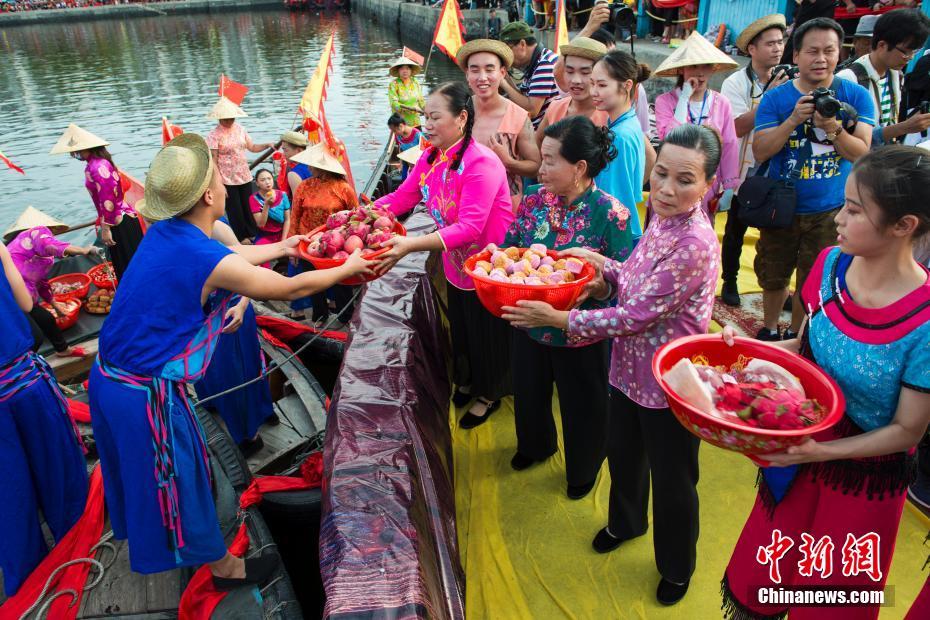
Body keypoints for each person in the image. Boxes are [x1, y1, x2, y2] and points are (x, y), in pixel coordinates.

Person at [88, 133, 376, 587]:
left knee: (157, 474)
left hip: (111, 379)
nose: (228, 186)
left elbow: (234, 255)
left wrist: (285, 247)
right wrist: (349, 267)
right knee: (179, 477)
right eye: (221, 181)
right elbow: (289, 290)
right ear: (207, 195)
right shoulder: (196, 252)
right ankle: (223, 568)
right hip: (141, 395)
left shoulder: (171, 231)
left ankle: (177, 545)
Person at [502, 124, 722, 605]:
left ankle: (676, 566)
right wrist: (604, 266)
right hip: (626, 371)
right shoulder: (662, 219)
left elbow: (637, 314)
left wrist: (561, 318)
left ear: (709, 185)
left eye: (685, 180)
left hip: (669, 383)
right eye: (660, 173)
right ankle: (626, 522)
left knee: (673, 481)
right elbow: (634, 280)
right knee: (624, 455)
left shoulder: (695, 244)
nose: (665, 188)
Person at [720, 145, 930, 620]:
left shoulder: (925, 319)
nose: (838, 217)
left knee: (828, 596)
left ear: (904, 226)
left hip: (861, 477)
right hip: (801, 449)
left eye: (855, 210)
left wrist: (820, 452)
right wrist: (753, 353)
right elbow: (807, 350)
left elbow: (906, 431)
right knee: (771, 575)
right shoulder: (831, 264)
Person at [500, 116, 636, 499]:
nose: (540, 169)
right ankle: (535, 446)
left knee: (585, 407)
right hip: (529, 319)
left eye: (549, 161)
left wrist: (599, 287)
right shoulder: (532, 201)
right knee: (529, 392)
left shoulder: (612, 214)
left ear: (579, 168)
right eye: (541, 160)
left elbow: (622, 282)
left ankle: (583, 468)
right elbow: (512, 247)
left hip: (581, 330)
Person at [373, 81, 514, 428]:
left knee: (488, 334)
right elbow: (403, 198)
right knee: (462, 329)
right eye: (425, 117)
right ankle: (468, 380)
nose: (427, 124)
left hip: (487, 265)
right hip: (455, 264)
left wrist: (408, 245)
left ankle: (490, 393)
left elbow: (469, 227)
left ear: (462, 118)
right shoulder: (430, 156)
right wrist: (362, 213)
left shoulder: (482, 163)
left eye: (435, 117)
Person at [752, 17, 874, 341]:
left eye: (829, 51)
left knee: (813, 275)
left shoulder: (856, 96)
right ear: (796, 56)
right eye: (812, 51)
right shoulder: (777, 99)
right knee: (772, 271)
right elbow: (761, 151)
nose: (821, 58)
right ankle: (768, 328)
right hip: (782, 205)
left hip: (831, 207)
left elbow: (862, 153)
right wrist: (793, 118)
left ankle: (796, 334)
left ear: (840, 54)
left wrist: (833, 127)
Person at [0, 239, 88, 597]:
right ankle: (77, 545)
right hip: (22, 382)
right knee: (57, 471)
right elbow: (24, 303)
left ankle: (27, 579)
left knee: (9, 493)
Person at [719, 15, 788, 307]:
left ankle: (776, 287)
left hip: (778, 169)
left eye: (780, 42)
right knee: (735, 230)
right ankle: (730, 280)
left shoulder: (791, 79)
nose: (777, 48)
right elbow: (735, 127)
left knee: (777, 235)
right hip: (743, 172)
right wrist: (769, 99)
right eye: (770, 43)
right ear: (752, 49)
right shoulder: (734, 83)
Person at [194, 220, 275, 456]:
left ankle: (249, 429)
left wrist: (241, 304)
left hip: (231, 313)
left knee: (243, 369)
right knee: (212, 372)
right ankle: (214, 405)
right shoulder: (171, 233)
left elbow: (248, 271)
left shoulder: (218, 227)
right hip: (201, 320)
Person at [654, 31, 741, 215]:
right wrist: (685, 97)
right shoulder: (665, 101)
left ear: (713, 68)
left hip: (706, 186)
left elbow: (730, 146)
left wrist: (730, 186)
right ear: (681, 69)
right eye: (693, 66)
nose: (700, 73)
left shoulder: (721, 102)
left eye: (706, 66)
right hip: (671, 184)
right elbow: (669, 138)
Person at [50, 123, 143, 280]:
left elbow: (108, 200)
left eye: (76, 150)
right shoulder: (100, 162)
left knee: (128, 266)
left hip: (117, 221)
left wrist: (106, 228)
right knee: (132, 263)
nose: (74, 154)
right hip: (121, 217)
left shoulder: (96, 166)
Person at [457, 39, 541, 210]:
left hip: (504, 209)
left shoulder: (518, 116)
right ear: (467, 75)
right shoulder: (458, 113)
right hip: (462, 205)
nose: (482, 77)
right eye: (475, 70)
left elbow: (536, 166)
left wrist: (509, 162)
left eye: (489, 69)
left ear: (502, 73)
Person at [4, 208, 97, 358]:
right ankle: (22, 365)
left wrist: (54, 304)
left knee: (47, 319)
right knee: (34, 337)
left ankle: (62, 350)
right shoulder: (36, 233)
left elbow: (41, 281)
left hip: (27, 296)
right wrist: (83, 250)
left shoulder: (40, 254)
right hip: (11, 295)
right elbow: (52, 245)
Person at [836, 9, 930, 148]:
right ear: (882, 45)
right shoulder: (848, 79)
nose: (910, 58)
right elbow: (848, 139)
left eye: (914, 52)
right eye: (905, 52)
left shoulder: (895, 75)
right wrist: (904, 127)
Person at [289, 143, 360, 326]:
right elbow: (295, 216)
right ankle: (320, 316)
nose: (309, 167)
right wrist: (293, 246)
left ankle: (346, 317)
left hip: (335, 241)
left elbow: (355, 217)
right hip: (307, 241)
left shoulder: (343, 188)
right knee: (312, 281)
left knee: (340, 281)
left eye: (312, 164)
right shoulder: (304, 187)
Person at [590, 49, 652, 240]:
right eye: (592, 83)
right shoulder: (628, 124)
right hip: (625, 225)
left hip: (614, 232)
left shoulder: (619, 136)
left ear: (626, 86)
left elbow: (610, 196)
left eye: (601, 85)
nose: (594, 91)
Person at [205, 97, 274, 242]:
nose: (229, 121)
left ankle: (254, 233)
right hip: (227, 178)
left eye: (232, 118)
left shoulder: (240, 129)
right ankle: (241, 237)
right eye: (226, 118)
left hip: (244, 175)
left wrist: (266, 145)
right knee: (234, 209)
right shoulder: (214, 135)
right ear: (219, 118)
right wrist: (219, 183)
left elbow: (252, 147)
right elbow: (213, 160)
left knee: (248, 206)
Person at [535, 37, 610, 147]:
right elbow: (537, 143)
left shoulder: (611, 116)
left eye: (585, 73)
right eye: (569, 71)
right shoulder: (555, 108)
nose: (575, 80)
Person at [498, 21, 561, 128]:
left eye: (508, 50)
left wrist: (503, 83)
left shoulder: (544, 64)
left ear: (522, 44)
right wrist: (507, 79)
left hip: (543, 134)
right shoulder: (537, 60)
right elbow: (523, 97)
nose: (506, 57)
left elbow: (531, 110)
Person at [250, 168, 291, 247]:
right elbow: (261, 224)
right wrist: (266, 205)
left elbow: (287, 220)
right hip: (265, 235)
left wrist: (283, 241)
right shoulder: (254, 198)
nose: (267, 182)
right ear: (257, 183)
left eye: (269, 178)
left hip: (283, 233)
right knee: (261, 255)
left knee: (288, 255)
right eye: (262, 180)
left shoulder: (283, 195)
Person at [388, 56, 426, 128]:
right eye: (402, 69)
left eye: (407, 68)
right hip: (401, 123)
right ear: (398, 71)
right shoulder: (393, 84)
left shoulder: (415, 82)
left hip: (415, 121)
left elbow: (421, 100)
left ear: (411, 70)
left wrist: (427, 110)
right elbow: (394, 104)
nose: (405, 71)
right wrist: (411, 108)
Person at [277, 130, 312, 200]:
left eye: (285, 150)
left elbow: (297, 203)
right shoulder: (315, 165)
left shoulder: (294, 174)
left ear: (299, 150)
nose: (283, 154)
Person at [388, 113, 422, 180]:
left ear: (400, 126)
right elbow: (401, 149)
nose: (394, 133)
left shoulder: (418, 135)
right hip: (407, 162)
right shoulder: (398, 136)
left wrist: (414, 165)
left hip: (419, 163)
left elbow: (425, 151)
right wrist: (400, 163)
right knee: (404, 178)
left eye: (394, 130)